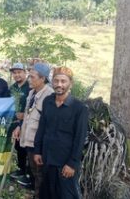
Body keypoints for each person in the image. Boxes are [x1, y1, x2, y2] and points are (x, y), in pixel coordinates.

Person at [34, 67, 88, 199]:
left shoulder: (79, 108)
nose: (59, 84)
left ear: (71, 83)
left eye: (63, 81)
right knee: (46, 193)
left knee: (65, 195)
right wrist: (37, 150)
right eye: (56, 81)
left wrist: (72, 163)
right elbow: (42, 127)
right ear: (52, 82)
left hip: (65, 163)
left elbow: (80, 138)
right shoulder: (48, 102)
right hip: (47, 159)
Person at [13, 63, 54, 198]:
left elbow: (49, 124)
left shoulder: (50, 96)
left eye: (32, 77)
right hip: (28, 139)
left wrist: (41, 148)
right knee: (34, 174)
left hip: (38, 144)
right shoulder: (31, 93)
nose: (29, 80)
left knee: (40, 176)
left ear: (43, 79)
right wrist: (19, 126)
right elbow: (27, 114)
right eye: (29, 77)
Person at [8, 63, 31, 184]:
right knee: (18, 146)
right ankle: (21, 169)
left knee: (25, 147)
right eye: (14, 73)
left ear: (25, 72)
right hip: (13, 122)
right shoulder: (12, 88)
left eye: (19, 72)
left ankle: (28, 174)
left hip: (26, 123)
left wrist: (24, 115)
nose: (17, 75)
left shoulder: (30, 87)